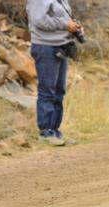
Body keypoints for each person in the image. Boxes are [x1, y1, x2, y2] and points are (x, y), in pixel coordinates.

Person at [26, 0, 82, 146]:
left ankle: (55, 132)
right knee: (47, 91)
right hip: (46, 47)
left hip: (60, 46)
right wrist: (65, 25)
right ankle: (45, 132)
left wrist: (74, 27)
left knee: (59, 91)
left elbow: (61, 19)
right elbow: (39, 20)